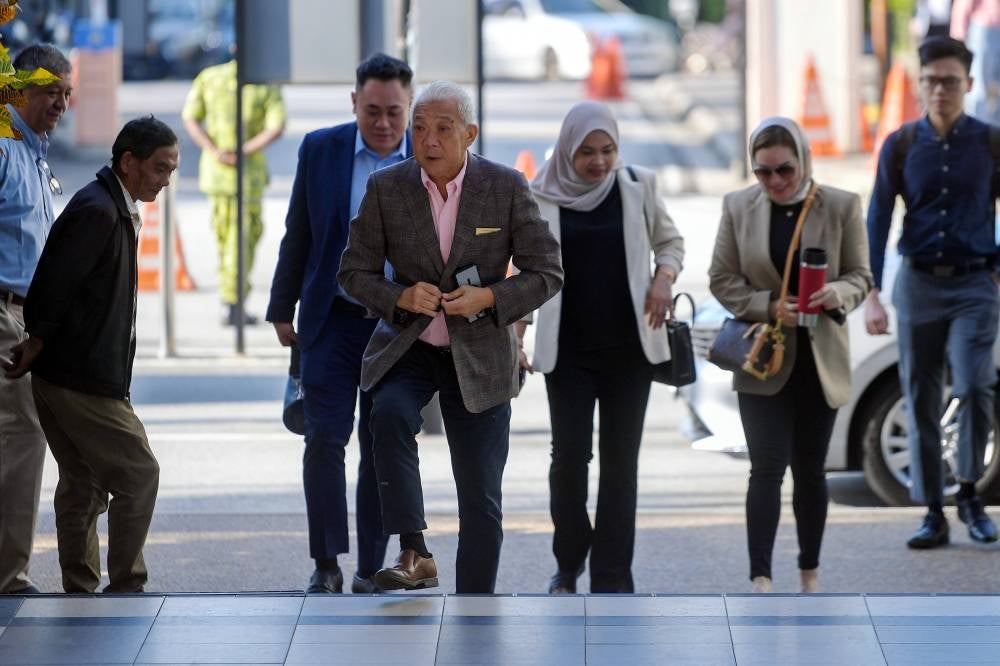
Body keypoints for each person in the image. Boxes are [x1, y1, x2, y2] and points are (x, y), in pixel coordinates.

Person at [338, 81, 563, 593]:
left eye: (442, 129)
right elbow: (353, 273)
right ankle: (415, 549)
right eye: (419, 129)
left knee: (480, 493)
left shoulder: (505, 186)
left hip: (481, 351)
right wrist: (398, 296)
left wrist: (489, 298)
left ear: (470, 133)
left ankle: (476, 599)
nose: (428, 140)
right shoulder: (387, 187)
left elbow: (546, 270)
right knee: (388, 413)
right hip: (409, 344)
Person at [4, 116, 179, 593]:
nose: (166, 180)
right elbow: (53, 285)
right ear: (129, 162)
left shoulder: (109, 205)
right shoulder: (99, 211)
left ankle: (80, 589)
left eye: (171, 170)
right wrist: (36, 341)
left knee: (82, 482)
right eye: (160, 168)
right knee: (139, 474)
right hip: (80, 378)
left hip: (70, 374)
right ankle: (127, 583)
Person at [519, 101, 684, 594]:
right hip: (567, 353)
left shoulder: (638, 186)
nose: (598, 162)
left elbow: (671, 242)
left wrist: (664, 278)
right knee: (569, 460)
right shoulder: (538, 196)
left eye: (607, 150)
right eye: (587, 152)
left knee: (620, 464)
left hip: (629, 352)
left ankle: (613, 574)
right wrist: (517, 331)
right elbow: (523, 270)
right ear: (568, 150)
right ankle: (568, 563)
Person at [267, 53, 413, 594]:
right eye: (371, 110)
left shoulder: (427, 157)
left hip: (395, 328)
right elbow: (298, 231)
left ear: (409, 107)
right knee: (325, 439)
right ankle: (326, 561)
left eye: (393, 112)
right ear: (354, 103)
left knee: (381, 447)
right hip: (330, 320)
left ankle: (371, 566)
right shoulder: (321, 149)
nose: (382, 123)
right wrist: (282, 307)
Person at [709, 117, 872, 593]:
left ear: (804, 160)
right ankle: (760, 575)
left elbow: (862, 274)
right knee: (765, 469)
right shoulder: (738, 206)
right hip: (763, 357)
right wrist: (769, 305)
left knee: (810, 471)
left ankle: (810, 572)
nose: (776, 181)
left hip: (818, 361)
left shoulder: (841, 205)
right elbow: (721, 277)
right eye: (763, 172)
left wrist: (837, 293)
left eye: (785, 169)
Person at [866, 36, 1000, 549]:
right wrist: (873, 292)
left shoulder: (989, 143)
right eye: (930, 81)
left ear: (966, 85)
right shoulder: (900, 144)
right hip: (918, 283)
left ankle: (969, 492)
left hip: (974, 283)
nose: (939, 89)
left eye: (949, 81)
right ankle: (931, 510)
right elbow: (878, 218)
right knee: (919, 395)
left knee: (974, 386)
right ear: (919, 85)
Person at [0, 44, 72, 595]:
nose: (62, 104)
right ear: (19, 89)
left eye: (67, 93)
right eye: (52, 91)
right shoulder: (4, 148)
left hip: (30, 317)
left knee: (23, 435)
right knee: (23, 434)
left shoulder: (35, 152)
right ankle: (8, 576)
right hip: (5, 313)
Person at [182, 57, 286, 326]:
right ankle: (234, 301)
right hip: (248, 176)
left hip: (216, 174)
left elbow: (190, 118)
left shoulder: (209, 78)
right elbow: (276, 126)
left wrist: (213, 149)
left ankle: (231, 299)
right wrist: (244, 151)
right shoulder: (264, 84)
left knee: (225, 237)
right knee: (243, 239)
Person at [951, 0, 1000, 124]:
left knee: (990, 89)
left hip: (987, 28)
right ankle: (977, 131)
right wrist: (958, 37)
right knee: (979, 88)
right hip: (984, 27)